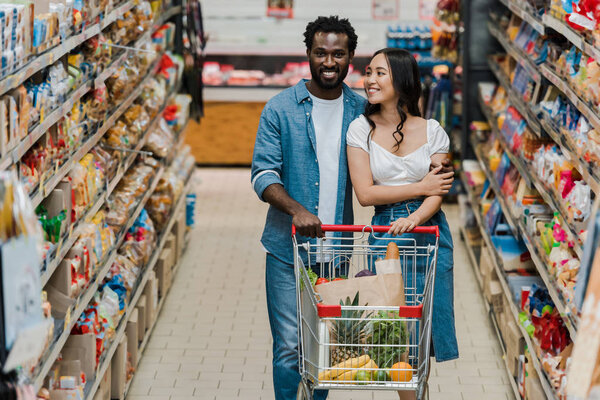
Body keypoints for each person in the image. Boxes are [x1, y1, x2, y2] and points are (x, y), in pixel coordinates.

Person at [251, 16, 454, 399]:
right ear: (308, 53)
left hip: (336, 250)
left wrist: (434, 168)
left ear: (350, 58)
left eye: (338, 54)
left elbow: (403, 133)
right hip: (286, 248)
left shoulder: (362, 112)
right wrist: (296, 209)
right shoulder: (280, 109)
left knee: (325, 346)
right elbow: (262, 174)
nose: (329, 62)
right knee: (290, 349)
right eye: (321, 53)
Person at [346, 48, 459, 397]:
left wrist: (415, 215)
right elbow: (365, 193)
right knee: (394, 330)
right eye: (368, 73)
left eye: (380, 73)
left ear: (401, 79)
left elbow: (437, 191)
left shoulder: (433, 130)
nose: (369, 80)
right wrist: (419, 187)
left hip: (428, 231)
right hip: (386, 236)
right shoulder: (359, 129)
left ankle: (416, 391)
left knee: (424, 329)